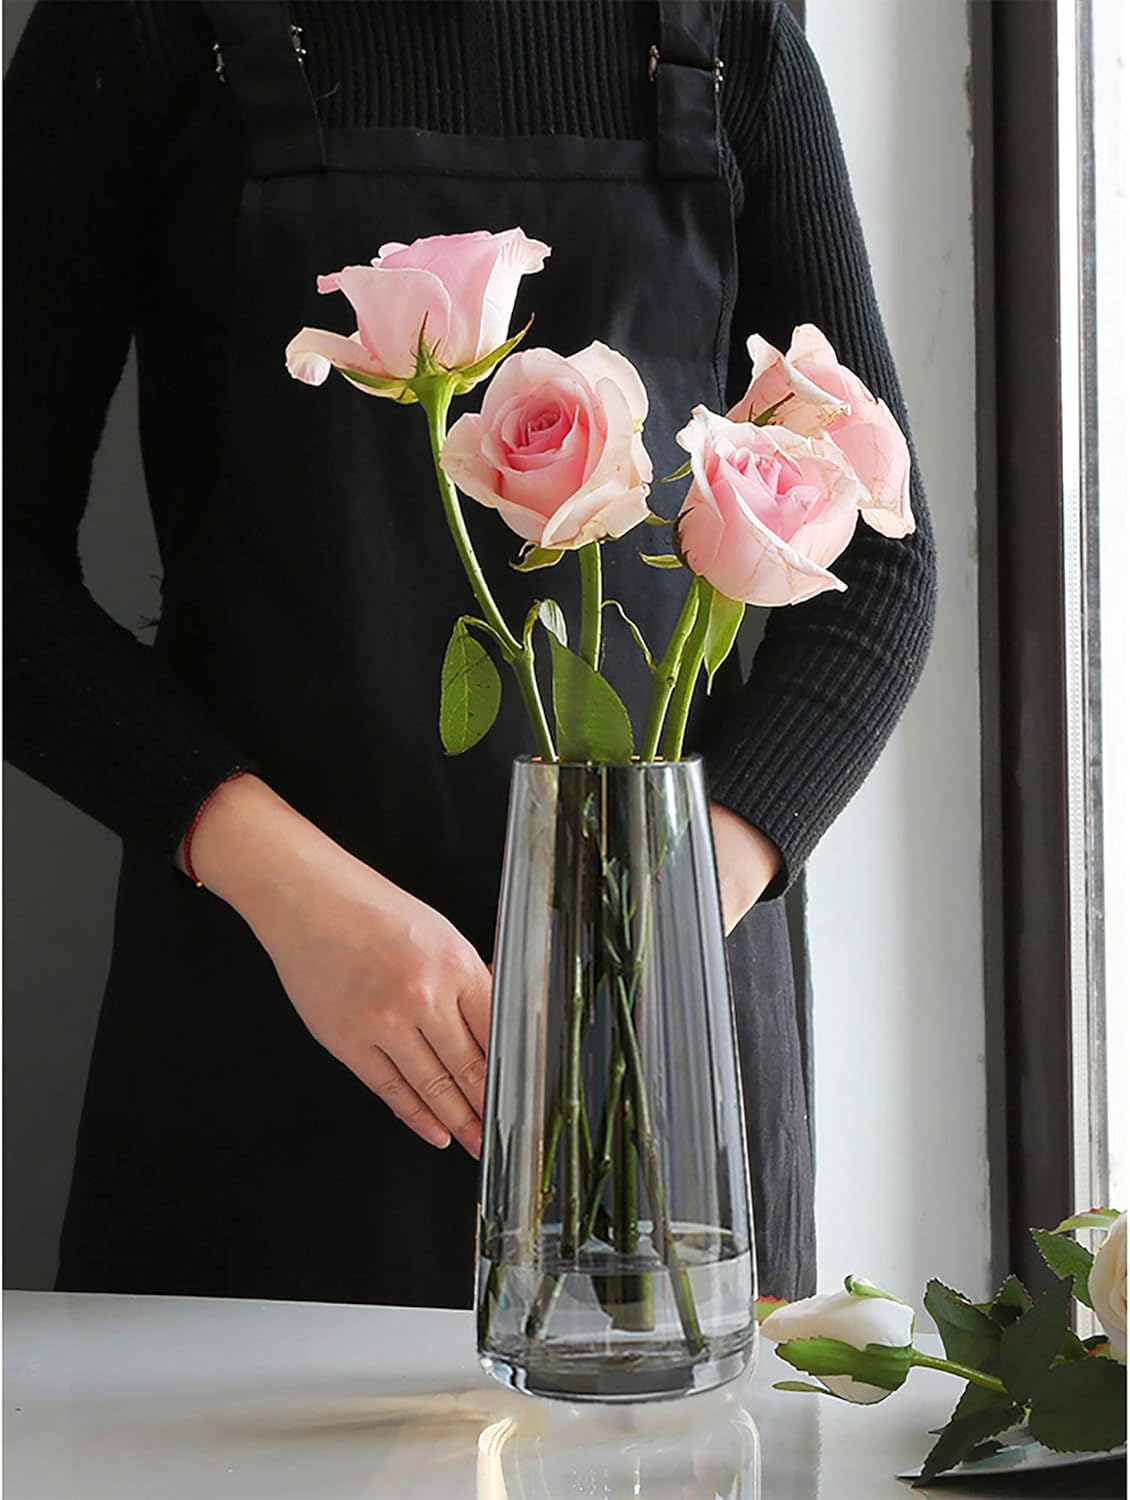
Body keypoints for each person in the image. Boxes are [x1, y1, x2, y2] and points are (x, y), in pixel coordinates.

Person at [4, 0, 936, 1310]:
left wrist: (640, 940)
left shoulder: (729, 31)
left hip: (648, 1069)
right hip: (270, 1040)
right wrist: (297, 901)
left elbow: (880, 570)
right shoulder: (149, 25)